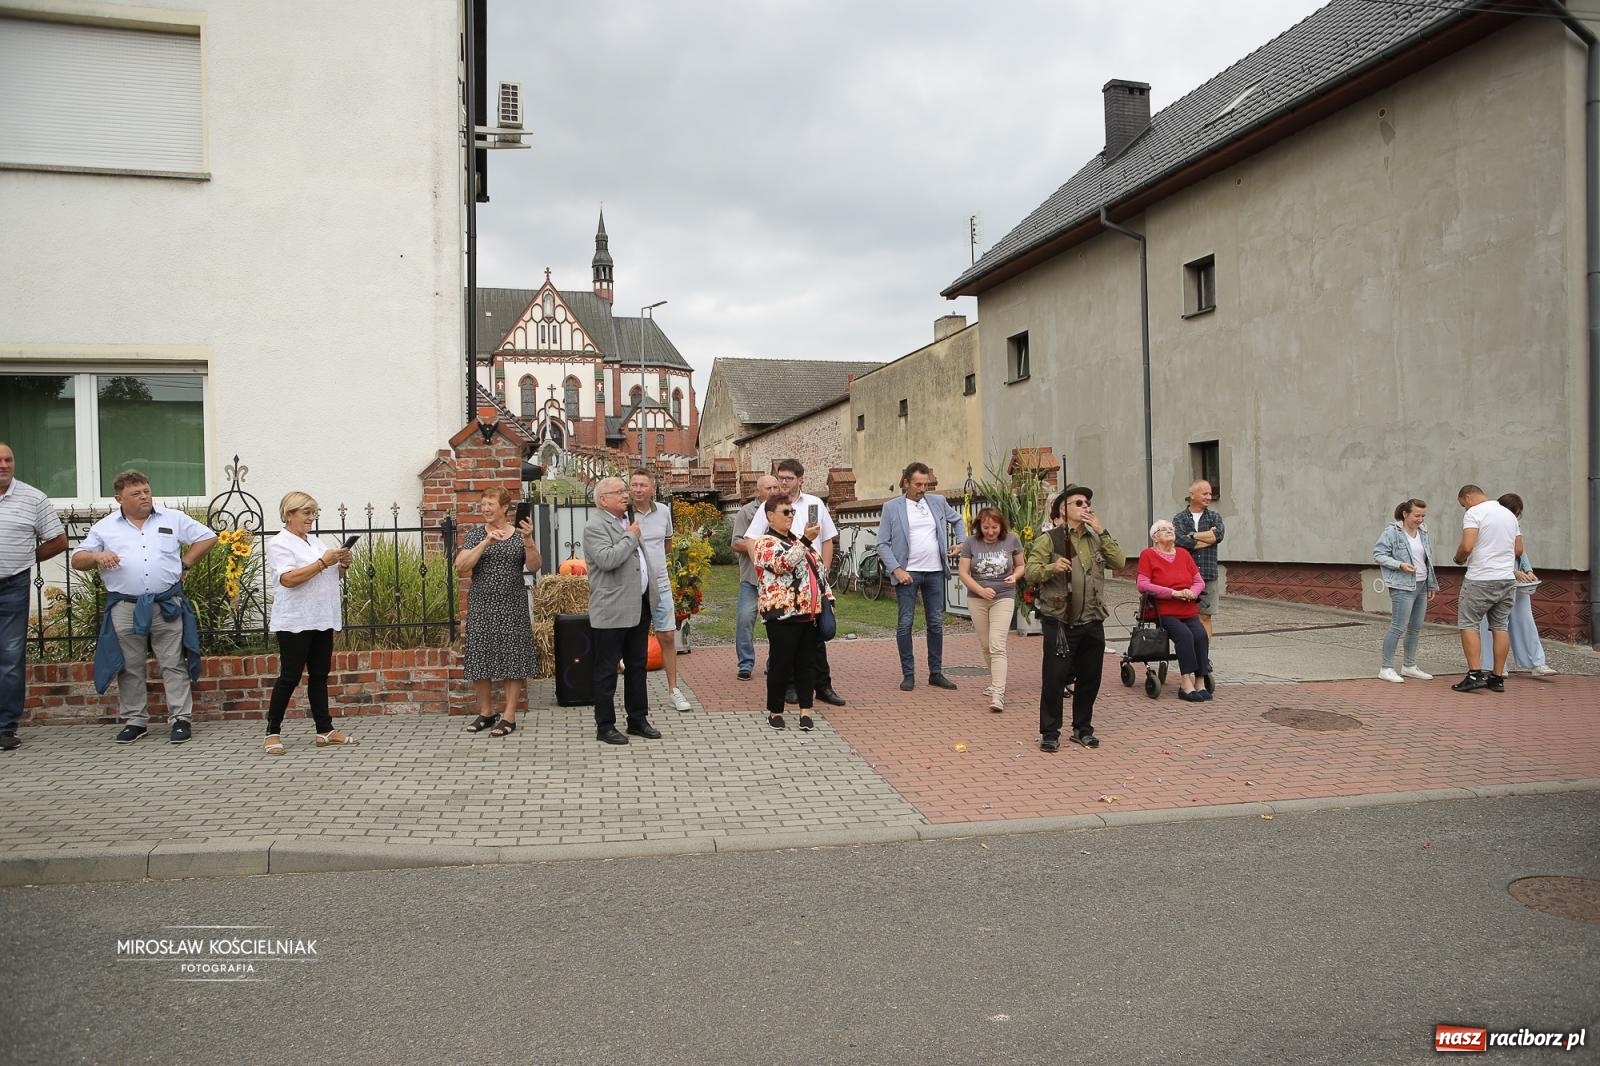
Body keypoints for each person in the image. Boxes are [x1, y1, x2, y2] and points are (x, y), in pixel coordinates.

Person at [73, 469, 217, 744]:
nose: (144, 497)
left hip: (166, 603)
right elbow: (77, 560)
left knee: (173, 662)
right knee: (129, 665)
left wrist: (185, 563)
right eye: (135, 493)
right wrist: (97, 556)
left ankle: (180, 719)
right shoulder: (105, 527)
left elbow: (208, 537)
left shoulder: (172, 518)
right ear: (119, 498)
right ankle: (135, 720)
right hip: (125, 605)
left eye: (147, 491)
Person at [1024, 485, 1125, 751]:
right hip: (1060, 620)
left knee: (1090, 678)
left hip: (1092, 618)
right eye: (1079, 503)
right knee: (1055, 678)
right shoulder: (1051, 539)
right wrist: (1051, 567)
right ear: (1063, 509)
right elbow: (1031, 572)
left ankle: (1083, 728)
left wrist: (1103, 531)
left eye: (1088, 503)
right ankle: (1050, 732)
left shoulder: (1095, 537)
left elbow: (1120, 562)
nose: (1086, 507)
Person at [743, 458, 846, 706]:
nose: (784, 483)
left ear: (801, 479)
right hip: (784, 587)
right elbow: (751, 540)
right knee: (786, 643)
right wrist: (763, 571)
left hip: (811, 583)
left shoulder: (814, 503)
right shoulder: (771, 506)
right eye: (780, 478)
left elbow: (828, 539)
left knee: (817, 640)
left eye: (789, 478)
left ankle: (822, 686)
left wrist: (825, 572)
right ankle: (789, 687)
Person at [263, 492, 357, 754]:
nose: (311, 517)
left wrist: (342, 566)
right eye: (305, 512)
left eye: (313, 512)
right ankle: (272, 731)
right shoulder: (279, 544)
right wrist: (322, 562)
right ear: (289, 514)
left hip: (321, 616)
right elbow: (288, 579)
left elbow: (328, 577)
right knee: (290, 677)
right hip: (295, 619)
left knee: (319, 676)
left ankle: (324, 730)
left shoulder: (315, 542)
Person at [455, 487, 541, 737]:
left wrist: (528, 540)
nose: (485, 508)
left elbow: (535, 566)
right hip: (482, 603)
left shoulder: (519, 536)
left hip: (512, 602)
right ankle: (486, 712)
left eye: (491, 504)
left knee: (512, 657)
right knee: (481, 656)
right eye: (483, 504)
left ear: (505, 507)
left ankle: (509, 715)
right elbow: (461, 566)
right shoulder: (475, 535)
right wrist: (486, 542)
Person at [584, 477, 662, 745]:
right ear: (603, 499)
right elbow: (607, 560)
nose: (625, 495)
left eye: (624, 490)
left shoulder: (625, 521)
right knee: (607, 669)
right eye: (619, 492)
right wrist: (631, 536)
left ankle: (638, 719)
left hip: (637, 604)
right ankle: (604, 725)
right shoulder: (595, 525)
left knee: (637, 665)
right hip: (612, 608)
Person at [0, 442, 68, 751]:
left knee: (11, 658)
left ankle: (5, 727)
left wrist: (23, 558)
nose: (3, 465)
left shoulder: (32, 498)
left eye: (8, 459)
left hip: (12, 585)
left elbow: (58, 540)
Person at [876, 461, 966, 692]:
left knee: (935, 622)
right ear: (906, 482)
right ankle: (909, 674)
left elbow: (957, 520)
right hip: (908, 572)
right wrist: (897, 569)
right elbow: (882, 544)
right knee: (905, 622)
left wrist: (961, 543)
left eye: (926, 484)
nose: (923, 489)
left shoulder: (938, 502)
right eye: (918, 484)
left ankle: (936, 673)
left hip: (935, 571)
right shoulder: (892, 507)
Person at [754, 494, 831, 731]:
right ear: (770, 516)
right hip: (782, 614)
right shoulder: (765, 543)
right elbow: (782, 564)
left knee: (807, 664)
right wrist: (806, 541)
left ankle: (806, 711)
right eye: (785, 512)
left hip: (808, 613)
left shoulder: (797, 541)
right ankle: (775, 711)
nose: (790, 516)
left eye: (792, 512)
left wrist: (827, 597)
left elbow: (818, 570)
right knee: (781, 663)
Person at [630, 470, 692, 712]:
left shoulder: (664, 511)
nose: (637, 489)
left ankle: (673, 689)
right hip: (634, 586)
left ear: (652, 488)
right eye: (634, 484)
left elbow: (667, 544)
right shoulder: (624, 513)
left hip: (661, 583)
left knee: (667, 636)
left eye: (642, 485)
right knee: (634, 640)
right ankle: (636, 694)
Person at [1450, 484, 1522, 693]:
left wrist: (1458, 559)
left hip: (1481, 577)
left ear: (1468, 497)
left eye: (1463, 504)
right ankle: (1497, 677)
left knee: (1469, 623)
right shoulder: (1508, 514)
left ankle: (1474, 674)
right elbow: (1519, 549)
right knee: (1500, 626)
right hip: (1506, 579)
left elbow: (1467, 546)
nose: (1465, 508)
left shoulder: (1474, 513)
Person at [1475, 493, 1556, 677]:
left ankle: (1537, 663)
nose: (1515, 517)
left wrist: (1528, 570)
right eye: (1513, 512)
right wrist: (1511, 572)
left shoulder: (1514, 525)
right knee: (1491, 624)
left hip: (1517, 582)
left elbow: (1521, 551)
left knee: (1524, 619)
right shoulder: (1484, 525)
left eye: (1517, 514)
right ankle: (1495, 665)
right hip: (1491, 578)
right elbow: (1483, 554)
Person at [1137, 519, 1212, 702]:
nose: (1170, 531)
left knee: (1200, 635)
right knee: (1185, 636)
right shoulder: (1148, 555)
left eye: (1171, 529)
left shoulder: (1184, 554)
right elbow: (1142, 584)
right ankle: (1185, 683)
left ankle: (1200, 681)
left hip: (1187, 608)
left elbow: (1198, 581)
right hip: (1164, 610)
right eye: (1164, 529)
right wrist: (1174, 593)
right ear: (1155, 537)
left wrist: (1191, 593)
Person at [958, 506, 1024, 712]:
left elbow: (1021, 565)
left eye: (994, 527)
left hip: (1003, 596)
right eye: (986, 527)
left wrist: (1015, 576)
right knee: (986, 645)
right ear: (979, 526)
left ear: (1001, 526)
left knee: (997, 644)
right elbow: (963, 572)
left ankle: (998, 693)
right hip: (977, 598)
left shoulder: (1011, 540)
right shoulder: (970, 542)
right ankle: (996, 680)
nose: (990, 531)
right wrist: (980, 590)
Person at [1372, 498, 1438, 683]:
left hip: (1421, 584)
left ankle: (1409, 665)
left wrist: (1431, 584)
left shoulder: (1423, 532)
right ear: (1405, 514)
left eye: (1423, 516)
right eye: (1417, 515)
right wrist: (1399, 564)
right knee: (1398, 626)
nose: (1420, 519)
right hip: (1402, 585)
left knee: (1415, 627)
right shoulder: (1392, 532)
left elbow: (1428, 559)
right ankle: (1386, 668)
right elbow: (1378, 554)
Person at [731, 474, 781, 681]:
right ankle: (745, 663)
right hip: (752, 579)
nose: (774, 492)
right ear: (758, 491)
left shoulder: (784, 511)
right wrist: (763, 545)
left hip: (777, 580)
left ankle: (774, 663)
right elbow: (736, 543)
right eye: (768, 488)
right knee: (745, 620)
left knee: (778, 624)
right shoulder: (747, 512)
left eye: (776, 488)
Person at [1172, 480, 1225, 639]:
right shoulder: (1180, 518)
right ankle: (1190, 651)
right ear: (1192, 495)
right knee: (1185, 617)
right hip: (1185, 576)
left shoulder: (1214, 517)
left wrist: (1193, 535)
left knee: (1205, 616)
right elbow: (1180, 541)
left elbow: (1218, 535)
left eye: (1210, 493)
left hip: (1208, 574)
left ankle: (1204, 656)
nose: (1209, 497)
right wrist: (1207, 538)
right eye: (1205, 493)